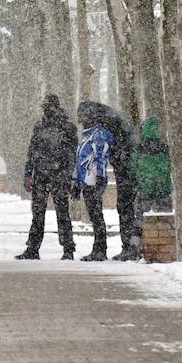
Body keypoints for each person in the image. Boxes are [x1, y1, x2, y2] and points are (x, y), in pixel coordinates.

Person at [78, 99, 141, 260]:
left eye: (84, 119)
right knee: (124, 207)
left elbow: (101, 153)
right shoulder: (110, 120)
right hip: (125, 166)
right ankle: (127, 246)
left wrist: (100, 175)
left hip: (126, 168)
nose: (83, 124)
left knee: (124, 207)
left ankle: (128, 248)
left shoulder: (105, 126)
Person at [17, 95, 77, 260]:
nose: (46, 110)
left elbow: (71, 155)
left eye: (49, 107)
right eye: (44, 107)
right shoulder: (40, 126)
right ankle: (33, 249)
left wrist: (66, 177)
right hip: (41, 176)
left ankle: (68, 249)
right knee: (37, 214)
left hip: (59, 177)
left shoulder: (67, 127)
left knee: (62, 214)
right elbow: (32, 151)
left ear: (56, 107)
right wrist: (28, 175)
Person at [74, 104, 113, 261]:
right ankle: (97, 248)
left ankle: (100, 249)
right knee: (94, 215)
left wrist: (99, 177)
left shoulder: (98, 135)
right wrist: (77, 181)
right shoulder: (88, 136)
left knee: (97, 216)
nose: (82, 120)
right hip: (87, 181)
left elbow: (100, 157)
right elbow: (80, 160)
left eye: (84, 117)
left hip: (94, 181)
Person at [135, 117, 173, 214]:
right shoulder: (165, 148)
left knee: (142, 218)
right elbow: (170, 166)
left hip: (145, 188)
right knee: (167, 218)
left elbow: (132, 167)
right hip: (163, 187)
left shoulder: (138, 149)